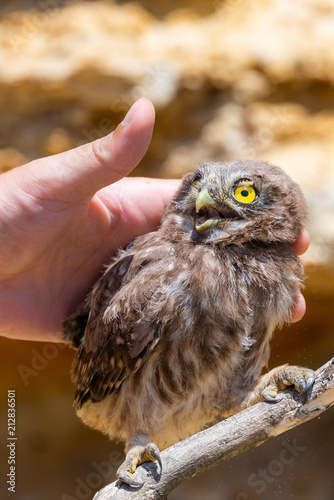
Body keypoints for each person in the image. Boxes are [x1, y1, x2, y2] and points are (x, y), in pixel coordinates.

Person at [0, 98, 309, 343]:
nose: (205, 200)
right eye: (197, 188)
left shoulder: (277, 271)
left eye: (243, 193)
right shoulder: (167, 267)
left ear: (281, 207)